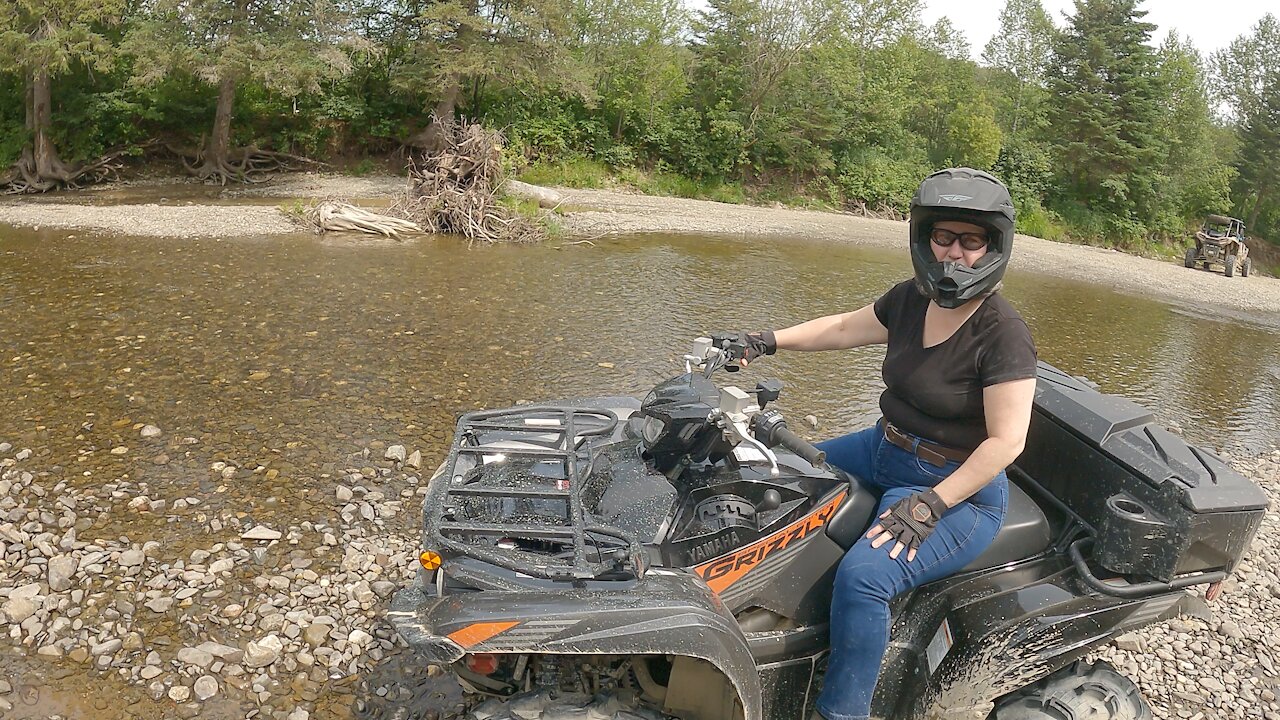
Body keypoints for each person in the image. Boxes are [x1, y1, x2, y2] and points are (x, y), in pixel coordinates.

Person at [732, 167, 1038, 720]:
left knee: (866, 578)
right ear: (925, 239)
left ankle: (843, 712)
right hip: (883, 447)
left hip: (956, 490)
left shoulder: (1003, 332)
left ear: (995, 245)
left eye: (972, 241)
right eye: (944, 237)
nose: (954, 254)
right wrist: (764, 340)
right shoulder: (911, 299)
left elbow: (1007, 441)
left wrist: (932, 504)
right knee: (774, 473)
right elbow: (846, 328)